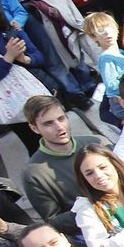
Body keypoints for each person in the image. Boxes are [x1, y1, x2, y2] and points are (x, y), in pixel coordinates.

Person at [19, 95, 96, 233]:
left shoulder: (96, 143)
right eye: (48, 123)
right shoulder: (34, 173)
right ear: (34, 128)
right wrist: (90, 211)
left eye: (61, 119)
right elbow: (53, 221)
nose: (59, 127)